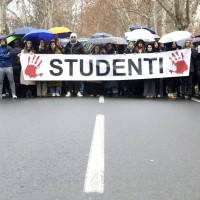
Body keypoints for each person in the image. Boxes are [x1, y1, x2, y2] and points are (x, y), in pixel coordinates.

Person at [64, 33, 85, 97]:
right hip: (69, 65)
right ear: (70, 38)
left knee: (77, 78)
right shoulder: (67, 45)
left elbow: (84, 53)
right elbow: (64, 54)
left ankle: (78, 91)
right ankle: (68, 91)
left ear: (76, 38)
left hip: (77, 65)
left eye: (74, 37)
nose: (73, 38)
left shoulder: (80, 45)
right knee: (69, 79)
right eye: (72, 37)